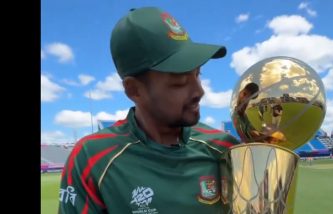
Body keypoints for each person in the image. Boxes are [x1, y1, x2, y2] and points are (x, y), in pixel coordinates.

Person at [58, 7, 241, 214]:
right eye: (179, 82)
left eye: (198, 74)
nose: (199, 91)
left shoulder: (225, 149)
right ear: (134, 90)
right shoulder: (91, 158)